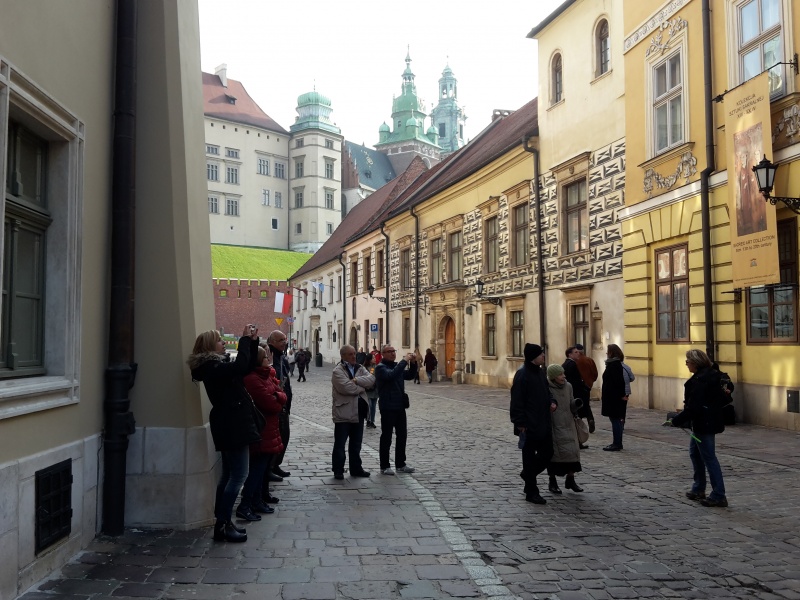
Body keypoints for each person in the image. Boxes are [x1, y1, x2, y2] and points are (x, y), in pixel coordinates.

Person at [187, 324, 260, 543]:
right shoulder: (213, 367)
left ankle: (223, 522)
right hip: (233, 424)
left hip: (230, 422)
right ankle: (222, 524)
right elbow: (240, 367)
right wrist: (244, 340)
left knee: (228, 475)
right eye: (219, 340)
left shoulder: (214, 366)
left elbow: (245, 367)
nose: (223, 343)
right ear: (211, 345)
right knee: (239, 475)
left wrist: (252, 343)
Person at [664, 350, 729, 507]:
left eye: (688, 361)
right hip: (704, 422)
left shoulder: (701, 380)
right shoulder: (711, 375)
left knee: (709, 457)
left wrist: (676, 420)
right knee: (695, 454)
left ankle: (718, 494)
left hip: (704, 423)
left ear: (696, 363)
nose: (686, 364)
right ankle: (699, 488)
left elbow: (694, 407)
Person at [236, 346, 286, 521]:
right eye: (265, 357)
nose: (268, 359)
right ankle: (245, 504)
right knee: (256, 470)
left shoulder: (265, 375)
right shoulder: (252, 379)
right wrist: (278, 397)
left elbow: (281, 394)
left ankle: (257, 501)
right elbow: (271, 404)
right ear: (257, 360)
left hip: (269, 428)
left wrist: (278, 396)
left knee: (261, 468)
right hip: (261, 429)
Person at [510, 343, 557, 505]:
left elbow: (548, 392)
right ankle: (531, 491)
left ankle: (527, 475)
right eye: (540, 354)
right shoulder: (522, 374)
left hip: (543, 421)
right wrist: (520, 422)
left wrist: (552, 401)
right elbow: (517, 401)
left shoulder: (540, 372)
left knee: (548, 453)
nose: (543, 356)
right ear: (533, 357)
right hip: (528, 424)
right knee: (529, 459)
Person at [331, 345, 376, 479]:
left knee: (356, 444)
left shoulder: (360, 368)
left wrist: (356, 380)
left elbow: (371, 380)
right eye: (350, 354)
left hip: (359, 412)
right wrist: (362, 388)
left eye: (354, 353)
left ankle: (356, 468)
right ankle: (338, 470)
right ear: (343, 356)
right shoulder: (337, 371)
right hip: (343, 412)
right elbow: (346, 388)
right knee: (340, 444)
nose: (353, 356)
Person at [375, 344, 417, 475]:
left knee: (402, 436)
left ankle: (400, 464)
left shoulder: (396, 366)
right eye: (389, 351)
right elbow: (391, 376)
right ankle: (384, 466)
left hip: (399, 406)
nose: (392, 353)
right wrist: (404, 361)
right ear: (383, 354)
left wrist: (413, 363)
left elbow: (409, 375)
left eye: (393, 351)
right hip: (387, 407)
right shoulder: (380, 368)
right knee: (386, 437)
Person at [545, 364, 584, 494]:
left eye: (563, 374)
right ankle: (552, 481)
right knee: (555, 455)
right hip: (555, 424)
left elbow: (571, 404)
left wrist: (576, 404)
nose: (564, 376)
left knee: (573, 452)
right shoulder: (547, 387)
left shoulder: (568, 386)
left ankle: (571, 479)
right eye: (560, 374)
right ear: (553, 376)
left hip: (569, 423)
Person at [267, 331, 292, 483]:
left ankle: (275, 465)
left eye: (284, 339)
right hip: (276, 404)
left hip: (284, 404)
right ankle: (270, 467)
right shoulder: (270, 355)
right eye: (280, 340)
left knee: (284, 436)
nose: (284, 342)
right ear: (272, 342)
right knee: (277, 438)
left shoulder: (281, 356)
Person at [601, 344, 627, 451]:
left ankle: (617, 443)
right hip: (612, 397)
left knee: (615, 420)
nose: (606, 353)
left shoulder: (614, 365)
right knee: (615, 420)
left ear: (611, 353)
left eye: (608, 351)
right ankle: (617, 442)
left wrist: (621, 395)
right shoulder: (613, 364)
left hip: (614, 398)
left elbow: (619, 382)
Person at [562, 346, 590, 447]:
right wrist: (584, 388)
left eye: (578, 352)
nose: (578, 353)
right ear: (570, 354)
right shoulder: (572, 364)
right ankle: (578, 441)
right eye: (576, 352)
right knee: (577, 418)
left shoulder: (566, 364)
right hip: (575, 395)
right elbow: (575, 381)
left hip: (572, 394)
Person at [574, 344, 597, 433]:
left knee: (578, 403)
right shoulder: (589, 360)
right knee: (586, 403)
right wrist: (590, 382)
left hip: (579, 385)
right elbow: (595, 374)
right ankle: (590, 419)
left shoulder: (575, 361)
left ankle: (579, 424)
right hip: (588, 385)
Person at [361, 353, 379, 429]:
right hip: (368, 390)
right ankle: (368, 420)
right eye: (373, 358)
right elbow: (369, 377)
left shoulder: (376, 367)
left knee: (373, 407)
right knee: (369, 406)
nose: (375, 359)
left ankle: (372, 421)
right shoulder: (365, 368)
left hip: (375, 390)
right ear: (369, 359)